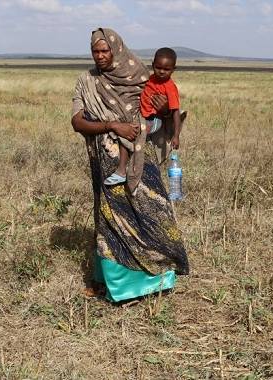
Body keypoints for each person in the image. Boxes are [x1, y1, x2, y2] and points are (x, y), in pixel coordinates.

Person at [71, 28, 189, 302]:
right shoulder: (85, 81)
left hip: (140, 156)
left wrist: (161, 111)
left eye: (105, 51)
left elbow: (160, 113)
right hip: (106, 160)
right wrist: (112, 125)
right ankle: (120, 288)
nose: (100, 56)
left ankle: (159, 278)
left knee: (151, 212)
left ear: (116, 49)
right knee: (113, 219)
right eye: (95, 51)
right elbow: (77, 122)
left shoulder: (141, 76)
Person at [104, 47, 182, 186]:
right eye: (158, 67)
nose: (162, 72)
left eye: (167, 69)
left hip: (155, 120)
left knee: (132, 132)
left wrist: (176, 135)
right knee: (126, 129)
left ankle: (123, 171)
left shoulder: (170, 87)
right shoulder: (149, 79)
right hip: (142, 116)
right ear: (152, 65)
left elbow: (176, 112)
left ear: (173, 69)